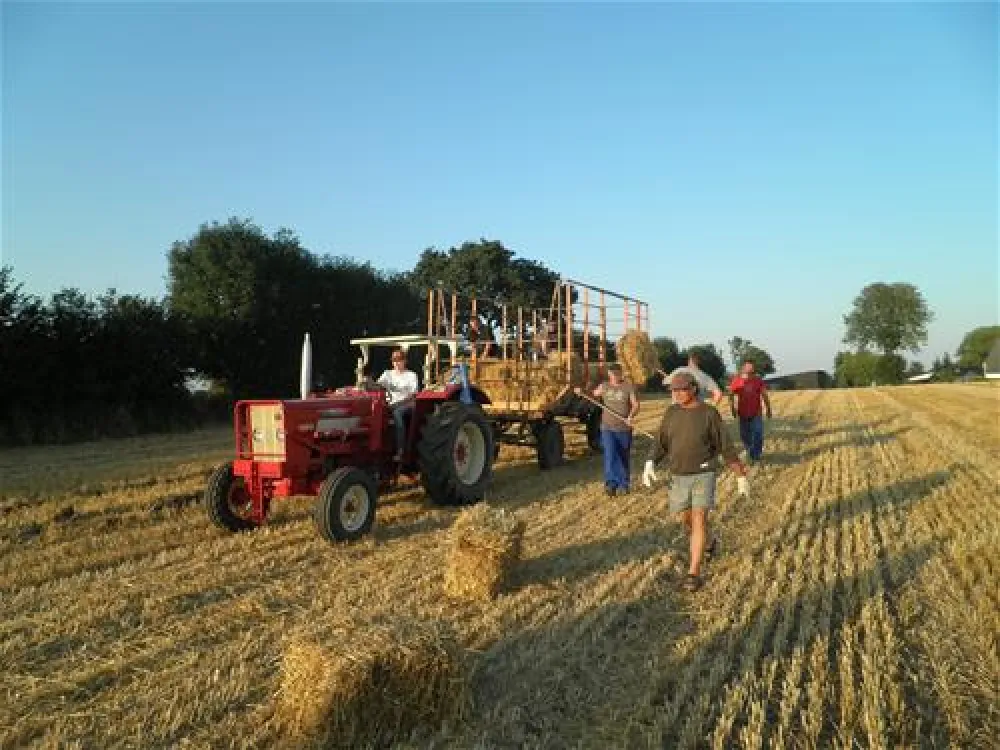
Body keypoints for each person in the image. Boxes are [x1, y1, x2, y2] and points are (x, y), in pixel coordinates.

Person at [642, 371, 748, 592]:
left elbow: (725, 445)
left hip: (703, 472)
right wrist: (650, 461)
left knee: (699, 517)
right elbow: (661, 441)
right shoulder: (671, 413)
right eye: (674, 390)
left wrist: (740, 475)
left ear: (693, 388)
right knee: (687, 519)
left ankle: (693, 572)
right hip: (678, 474)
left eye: (681, 389)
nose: (677, 394)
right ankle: (708, 543)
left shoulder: (709, 413)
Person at [577, 363, 639, 496]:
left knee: (623, 456)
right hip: (607, 428)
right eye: (612, 374)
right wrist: (582, 392)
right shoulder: (604, 386)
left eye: (616, 374)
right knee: (610, 455)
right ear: (609, 374)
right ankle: (611, 484)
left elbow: (635, 405)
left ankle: (623, 484)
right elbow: (593, 394)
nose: (614, 377)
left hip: (623, 428)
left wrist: (630, 416)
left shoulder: (628, 387)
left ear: (621, 374)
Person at [376, 348, 419, 461]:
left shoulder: (411, 375)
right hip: (388, 404)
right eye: (394, 360)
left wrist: (397, 404)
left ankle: (401, 450)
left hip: (406, 404)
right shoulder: (387, 374)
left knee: (397, 413)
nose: (397, 362)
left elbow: (412, 395)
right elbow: (377, 387)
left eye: (399, 360)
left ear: (405, 361)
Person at [728, 359, 773, 463]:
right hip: (742, 413)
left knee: (758, 434)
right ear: (743, 368)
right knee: (745, 435)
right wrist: (732, 409)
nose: (750, 369)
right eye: (748, 367)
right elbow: (730, 395)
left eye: (752, 367)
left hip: (756, 413)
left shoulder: (758, 381)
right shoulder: (737, 381)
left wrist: (769, 409)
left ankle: (755, 455)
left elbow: (764, 395)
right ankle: (749, 450)